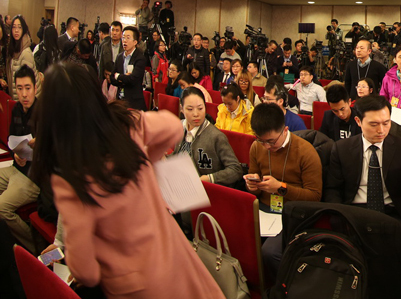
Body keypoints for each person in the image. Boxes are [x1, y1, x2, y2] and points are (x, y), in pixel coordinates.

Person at [30, 62, 225, 299]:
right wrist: (146, 161)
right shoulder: (125, 124)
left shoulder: (71, 175)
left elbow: (87, 273)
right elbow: (174, 127)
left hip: (135, 285)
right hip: (173, 257)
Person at [324, 95, 401, 230]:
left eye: (386, 123)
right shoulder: (341, 149)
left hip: (393, 213)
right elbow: (332, 189)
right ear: (358, 121)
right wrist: (338, 216)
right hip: (354, 212)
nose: (381, 130)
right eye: (373, 124)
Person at [249, 103, 323, 276]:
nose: (266, 146)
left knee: (270, 252)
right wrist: (253, 186)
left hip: (294, 213)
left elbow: (315, 197)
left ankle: (286, 288)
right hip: (264, 210)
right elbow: (256, 189)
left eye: (271, 141)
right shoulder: (256, 147)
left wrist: (281, 188)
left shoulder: (305, 152)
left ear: (285, 130)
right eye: (261, 140)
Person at [0, 66, 41, 252]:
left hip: (33, 177)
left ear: (35, 88)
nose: (24, 94)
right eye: (19, 88)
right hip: (17, 166)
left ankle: (32, 247)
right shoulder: (17, 108)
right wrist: (16, 152)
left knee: (1, 208)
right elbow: (11, 138)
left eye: (27, 88)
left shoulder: (43, 112)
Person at [174, 87, 242, 186]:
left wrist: (210, 178)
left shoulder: (216, 136)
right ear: (181, 109)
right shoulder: (179, 127)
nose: (196, 114)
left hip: (205, 191)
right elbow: (177, 155)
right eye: (190, 109)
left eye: (200, 108)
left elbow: (235, 169)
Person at [108, 26, 148, 111]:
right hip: (120, 100)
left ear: (135, 42)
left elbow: (133, 79)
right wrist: (124, 79)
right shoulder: (119, 57)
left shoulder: (140, 58)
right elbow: (111, 78)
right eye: (123, 37)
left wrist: (118, 77)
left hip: (134, 102)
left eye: (128, 38)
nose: (124, 40)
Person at [7, 16, 35, 101]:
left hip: (24, 101)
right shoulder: (13, 49)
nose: (16, 30)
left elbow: (27, 84)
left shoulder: (26, 53)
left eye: (19, 27)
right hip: (16, 99)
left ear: (24, 30)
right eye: (14, 27)